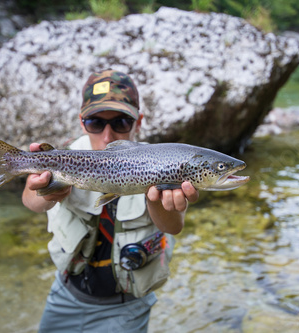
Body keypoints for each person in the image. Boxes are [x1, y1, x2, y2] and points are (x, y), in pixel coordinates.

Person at [22, 69, 198, 332]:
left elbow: (172, 228)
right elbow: (30, 202)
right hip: (66, 294)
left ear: (138, 122)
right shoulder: (65, 158)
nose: (107, 136)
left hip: (128, 307)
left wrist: (157, 202)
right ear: (82, 122)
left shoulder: (162, 163)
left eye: (120, 123)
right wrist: (43, 193)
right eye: (95, 123)